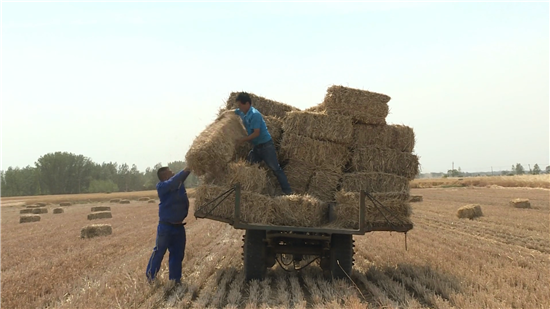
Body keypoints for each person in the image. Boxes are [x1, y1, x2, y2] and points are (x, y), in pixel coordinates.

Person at [234, 92, 292, 195]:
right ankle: (245, 190)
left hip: (266, 146)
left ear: (247, 103)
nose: (239, 107)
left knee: (275, 168)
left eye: (240, 105)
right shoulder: (243, 112)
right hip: (257, 147)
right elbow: (233, 112)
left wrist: (243, 140)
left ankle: (288, 193)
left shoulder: (255, 115)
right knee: (247, 165)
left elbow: (256, 133)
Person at [146, 166, 191, 284]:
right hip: (165, 227)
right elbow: (174, 181)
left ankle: (175, 279)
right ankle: (151, 276)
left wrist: (191, 167)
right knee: (159, 251)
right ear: (165, 176)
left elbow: (179, 179)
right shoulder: (162, 187)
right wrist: (186, 169)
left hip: (179, 227)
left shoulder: (178, 185)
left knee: (177, 254)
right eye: (171, 172)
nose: (174, 173)